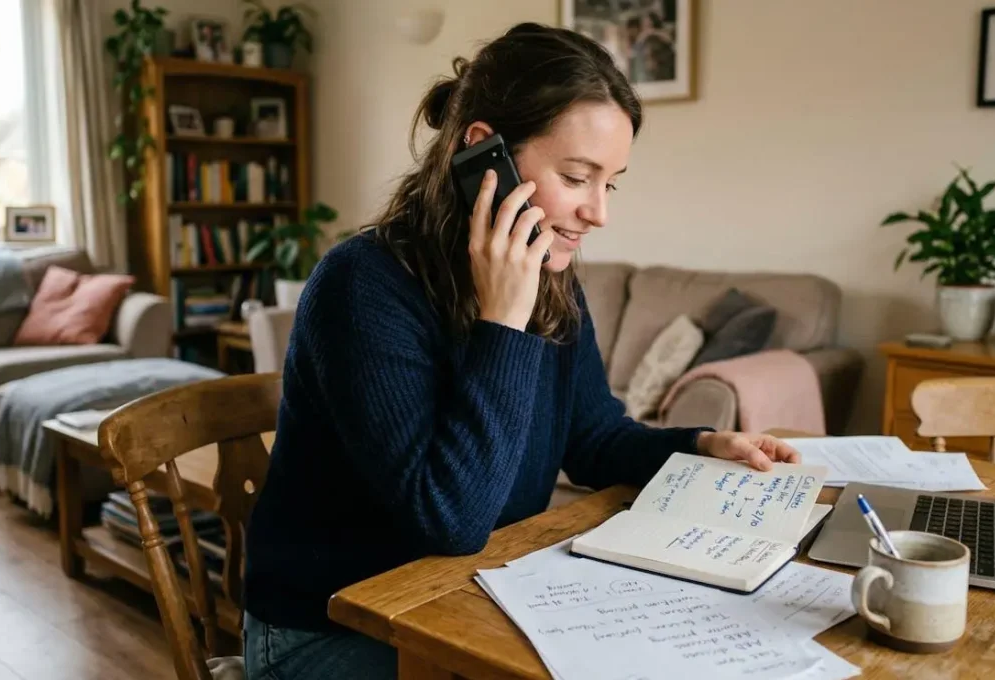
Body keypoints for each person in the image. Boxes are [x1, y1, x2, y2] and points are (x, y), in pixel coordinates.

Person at [241, 22, 801, 680]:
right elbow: (447, 520)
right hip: (323, 626)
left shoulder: (551, 282)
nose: (599, 212)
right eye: (576, 176)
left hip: (465, 598)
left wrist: (699, 446)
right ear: (485, 154)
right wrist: (502, 321)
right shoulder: (361, 287)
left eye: (611, 183)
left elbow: (593, 437)